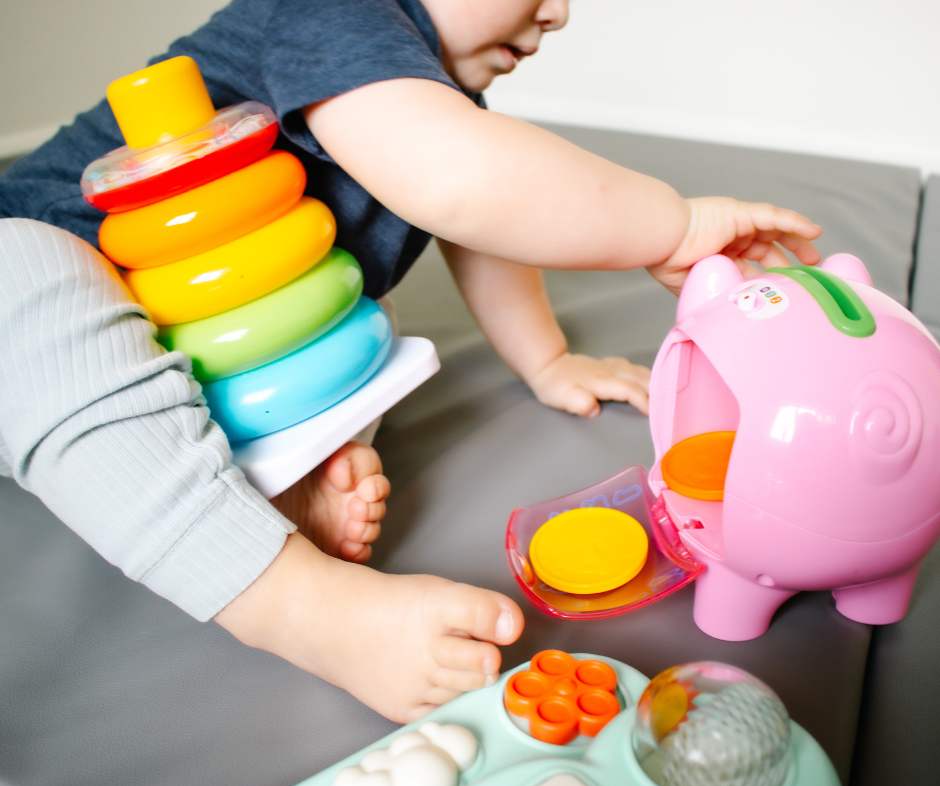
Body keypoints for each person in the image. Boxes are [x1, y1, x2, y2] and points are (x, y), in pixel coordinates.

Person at [0, 0, 821, 723]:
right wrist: (673, 226)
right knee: (28, 262)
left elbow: (491, 221)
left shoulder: (430, 91)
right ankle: (303, 606)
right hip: (41, 356)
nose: (560, 12)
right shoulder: (333, 13)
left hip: (201, 354)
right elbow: (463, 181)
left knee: (355, 322)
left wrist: (548, 359)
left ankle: (278, 478)